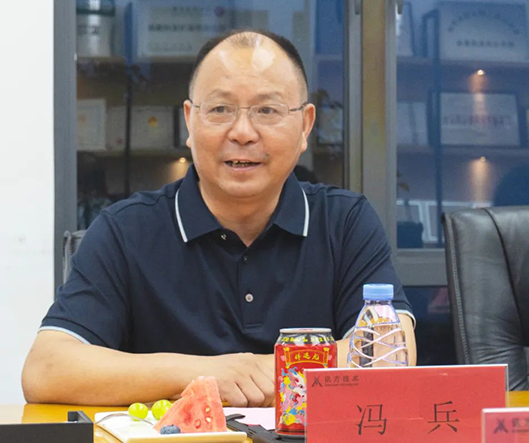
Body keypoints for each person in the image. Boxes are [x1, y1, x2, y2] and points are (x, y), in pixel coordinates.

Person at [22, 29, 416, 407]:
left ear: (305, 125)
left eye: (267, 110)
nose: (242, 132)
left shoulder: (345, 223)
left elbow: (391, 351)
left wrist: (266, 371)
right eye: (220, 109)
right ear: (190, 121)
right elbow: (46, 369)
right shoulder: (125, 231)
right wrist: (206, 373)